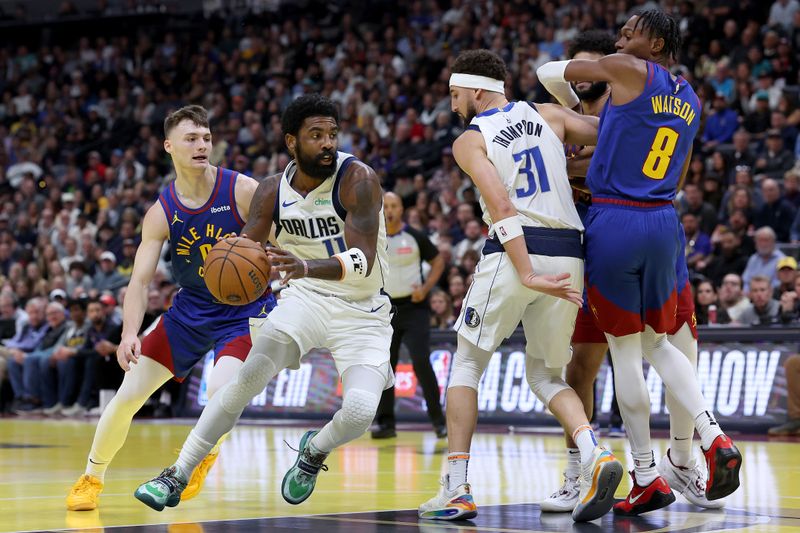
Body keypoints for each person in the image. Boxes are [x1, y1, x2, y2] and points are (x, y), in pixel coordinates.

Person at [134, 94, 393, 511]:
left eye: (332, 134)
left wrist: (305, 266)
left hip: (362, 309)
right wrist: (227, 263)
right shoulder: (272, 190)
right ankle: (177, 473)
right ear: (292, 141)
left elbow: (362, 262)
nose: (327, 143)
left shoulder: (357, 179)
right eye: (316, 135)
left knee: (361, 411)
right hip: (304, 300)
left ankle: (314, 451)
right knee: (247, 379)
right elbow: (248, 247)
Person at [537, 9, 741, 515]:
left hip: (616, 221)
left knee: (626, 354)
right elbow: (678, 169)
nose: (622, 37)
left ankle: (647, 474)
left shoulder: (627, 70)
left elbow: (546, 74)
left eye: (632, 31)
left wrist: (575, 106)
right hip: (663, 220)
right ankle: (713, 438)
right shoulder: (691, 97)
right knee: (661, 343)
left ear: (657, 42)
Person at [419, 49, 622, 524]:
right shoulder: (549, 115)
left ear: (474, 90)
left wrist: (526, 270)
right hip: (571, 249)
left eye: (454, 95)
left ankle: (457, 489)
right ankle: (596, 454)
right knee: (546, 375)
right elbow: (613, 134)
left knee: (466, 366)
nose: (452, 106)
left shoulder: (471, 139)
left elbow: (501, 206)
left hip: (518, 252)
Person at [66, 105, 276, 511]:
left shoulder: (243, 190)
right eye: (191, 138)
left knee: (221, 391)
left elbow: (285, 242)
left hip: (244, 313)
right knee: (127, 396)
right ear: (169, 147)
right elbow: (140, 282)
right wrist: (129, 333)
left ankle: (198, 459)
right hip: (189, 312)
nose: (202, 145)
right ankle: (91, 477)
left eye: (206, 137)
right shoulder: (161, 212)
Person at [372, 191, 447, 439]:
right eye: (387, 206)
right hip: (385, 310)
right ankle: (386, 424)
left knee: (421, 362)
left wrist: (425, 289)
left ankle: (439, 421)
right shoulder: (374, 238)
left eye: (394, 205)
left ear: (402, 209)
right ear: (381, 210)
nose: (390, 210)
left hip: (414, 309)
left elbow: (438, 261)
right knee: (385, 366)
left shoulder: (415, 237)